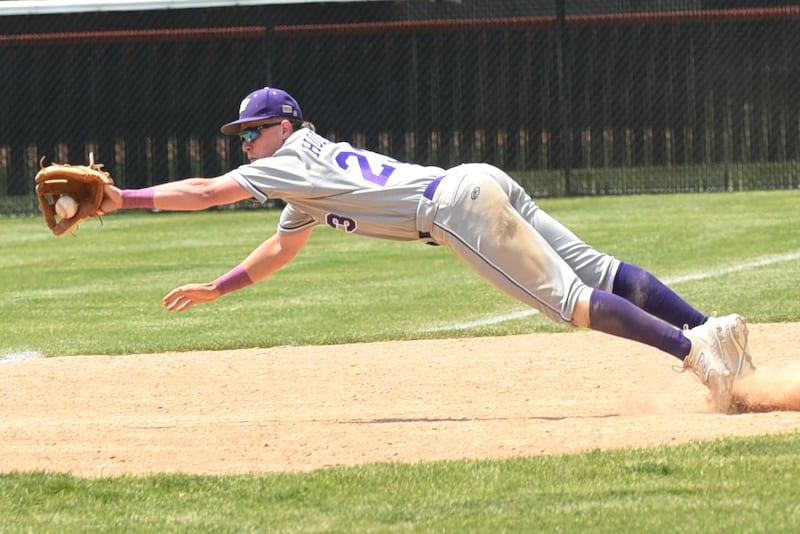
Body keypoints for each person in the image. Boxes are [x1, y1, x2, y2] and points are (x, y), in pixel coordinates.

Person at [99, 87, 755, 413]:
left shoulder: (288, 158)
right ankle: (712, 331)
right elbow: (279, 248)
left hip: (453, 209)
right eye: (241, 136)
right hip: (476, 181)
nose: (245, 145)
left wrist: (121, 199)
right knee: (602, 269)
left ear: (284, 125)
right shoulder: (308, 170)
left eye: (251, 133)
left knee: (574, 302)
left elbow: (207, 192)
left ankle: (698, 354)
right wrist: (220, 287)